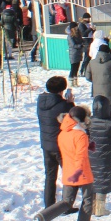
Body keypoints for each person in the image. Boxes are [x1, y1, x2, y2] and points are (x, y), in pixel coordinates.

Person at [36, 106, 95, 221]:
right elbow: (80, 156)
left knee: (67, 201)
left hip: (68, 170)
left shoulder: (63, 133)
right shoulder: (80, 135)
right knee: (88, 199)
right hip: (81, 172)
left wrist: (88, 146)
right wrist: (79, 172)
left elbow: (71, 149)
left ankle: (43, 217)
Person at [36, 76, 74, 208]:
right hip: (61, 146)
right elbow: (72, 121)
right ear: (62, 90)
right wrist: (70, 104)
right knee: (68, 175)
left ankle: (49, 205)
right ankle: (65, 205)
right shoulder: (63, 105)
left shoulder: (40, 102)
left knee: (50, 176)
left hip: (46, 145)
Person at [88, 96, 111, 216]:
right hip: (106, 156)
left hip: (92, 155)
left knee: (93, 179)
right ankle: (100, 208)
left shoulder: (90, 121)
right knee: (103, 181)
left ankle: (92, 206)